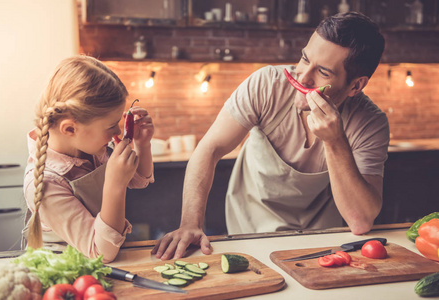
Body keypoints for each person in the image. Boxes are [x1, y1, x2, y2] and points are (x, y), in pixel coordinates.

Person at [152, 12, 389, 260]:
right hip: (249, 233)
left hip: (321, 242)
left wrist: (335, 141)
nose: (303, 77)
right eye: (304, 59)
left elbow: (360, 221)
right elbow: (209, 149)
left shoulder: (371, 123)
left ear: (355, 86)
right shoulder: (266, 85)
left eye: (323, 72)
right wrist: (190, 223)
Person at [22, 55, 154, 263]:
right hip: (70, 275)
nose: (117, 131)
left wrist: (143, 145)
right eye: (110, 125)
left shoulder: (91, 148)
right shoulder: (46, 183)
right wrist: (114, 184)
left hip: (107, 262)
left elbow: (140, 180)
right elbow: (100, 252)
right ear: (70, 129)